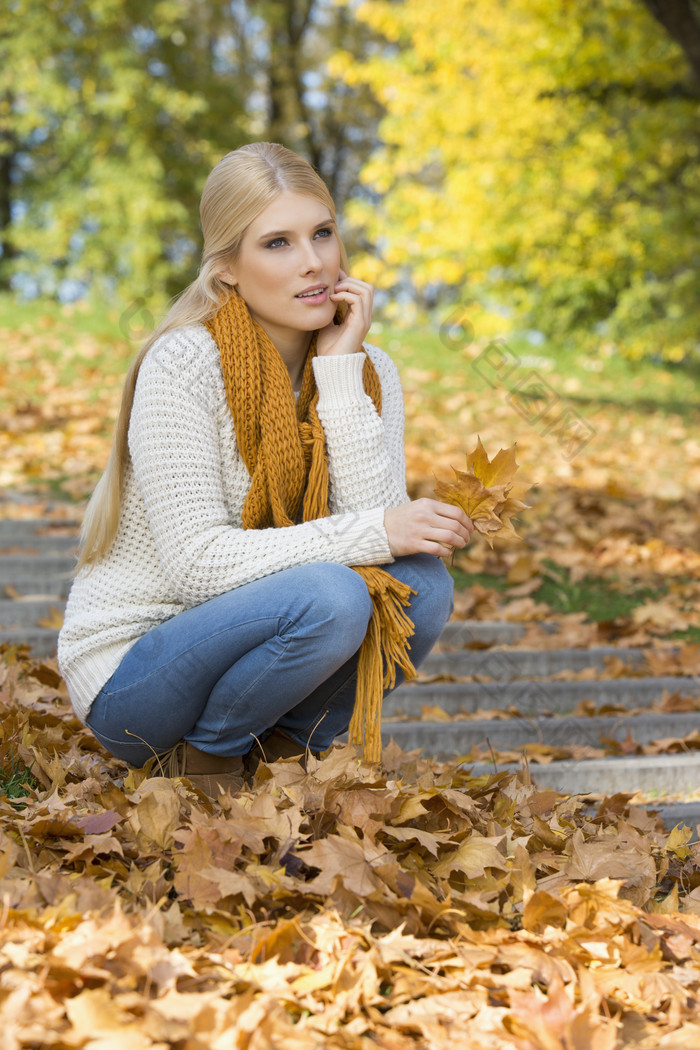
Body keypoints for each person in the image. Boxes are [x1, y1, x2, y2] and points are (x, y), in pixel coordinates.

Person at [57, 142, 473, 799]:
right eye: (276, 243)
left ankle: (283, 764)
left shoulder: (370, 371)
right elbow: (197, 566)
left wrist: (339, 374)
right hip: (137, 675)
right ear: (226, 269)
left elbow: (383, 556)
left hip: (266, 641)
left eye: (323, 234)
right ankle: (206, 761)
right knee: (331, 597)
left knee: (422, 585)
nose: (313, 263)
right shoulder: (185, 363)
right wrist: (376, 532)